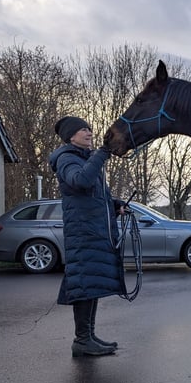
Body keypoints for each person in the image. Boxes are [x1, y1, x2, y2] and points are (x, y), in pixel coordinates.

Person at [49, 116, 128, 357]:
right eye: (83, 129)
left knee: (91, 285)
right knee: (84, 286)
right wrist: (102, 153)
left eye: (90, 129)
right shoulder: (66, 158)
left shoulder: (82, 159)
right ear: (71, 136)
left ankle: (88, 336)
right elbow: (80, 181)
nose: (89, 132)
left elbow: (91, 196)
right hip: (83, 235)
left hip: (93, 233)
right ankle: (82, 340)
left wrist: (115, 204)